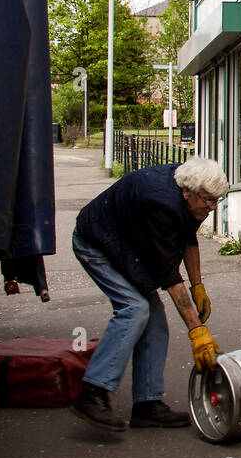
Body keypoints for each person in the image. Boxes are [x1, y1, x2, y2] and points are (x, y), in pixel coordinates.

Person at [70, 155, 229, 432]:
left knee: (155, 321)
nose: (213, 207)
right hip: (97, 243)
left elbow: (188, 237)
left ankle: (147, 405)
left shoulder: (191, 196)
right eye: (208, 200)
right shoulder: (161, 203)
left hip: (128, 245)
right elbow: (168, 274)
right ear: (185, 192)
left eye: (217, 200)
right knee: (134, 309)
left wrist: (198, 286)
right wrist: (197, 331)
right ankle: (92, 392)